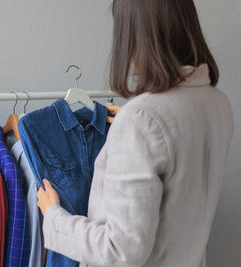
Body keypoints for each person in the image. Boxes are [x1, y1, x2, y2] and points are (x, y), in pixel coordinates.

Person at [36, 0, 234, 267]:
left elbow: (120, 251)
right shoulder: (217, 103)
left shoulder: (142, 120)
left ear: (134, 35)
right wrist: (137, 123)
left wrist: (53, 216)